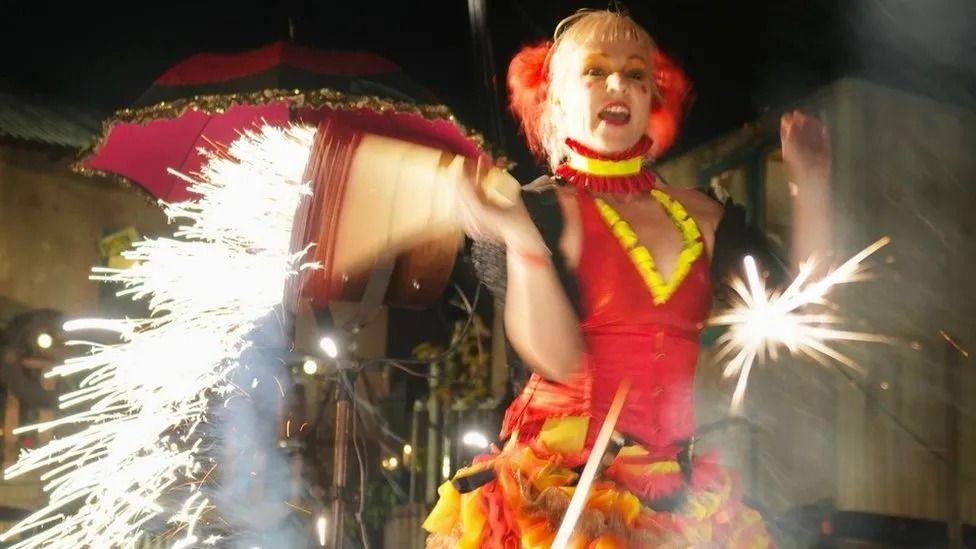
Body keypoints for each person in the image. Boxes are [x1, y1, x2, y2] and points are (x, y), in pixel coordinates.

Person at [426, 7, 832, 548]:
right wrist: (521, 239)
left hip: (679, 497)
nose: (619, 83)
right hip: (560, 496)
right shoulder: (535, 209)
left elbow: (806, 312)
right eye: (594, 71)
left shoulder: (706, 215)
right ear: (556, 100)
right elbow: (556, 358)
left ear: (650, 99)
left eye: (637, 73)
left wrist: (812, 185)